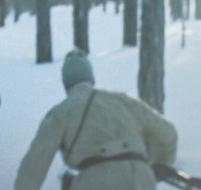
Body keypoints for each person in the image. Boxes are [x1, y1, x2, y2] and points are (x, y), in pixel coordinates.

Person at [14, 49, 178, 190]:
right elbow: (168, 134)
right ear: (92, 79)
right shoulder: (123, 101)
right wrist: (157, 167)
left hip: (96, 180)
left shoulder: (59, 113)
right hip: (141, 178)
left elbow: (33, 165)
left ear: (65, 85)